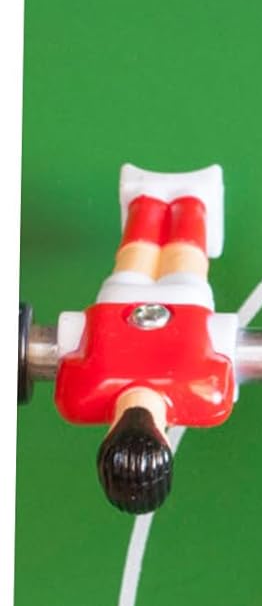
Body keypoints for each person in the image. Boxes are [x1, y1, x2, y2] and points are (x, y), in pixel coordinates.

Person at [52, 164, 236, 514]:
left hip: (185, 300)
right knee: (137, 257)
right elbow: (72, 340)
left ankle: (191, 202)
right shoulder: (77, 399)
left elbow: (223, 351)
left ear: (165, 443)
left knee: (184, 257)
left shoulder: (206, 397)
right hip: (121, 298)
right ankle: (148, 202)